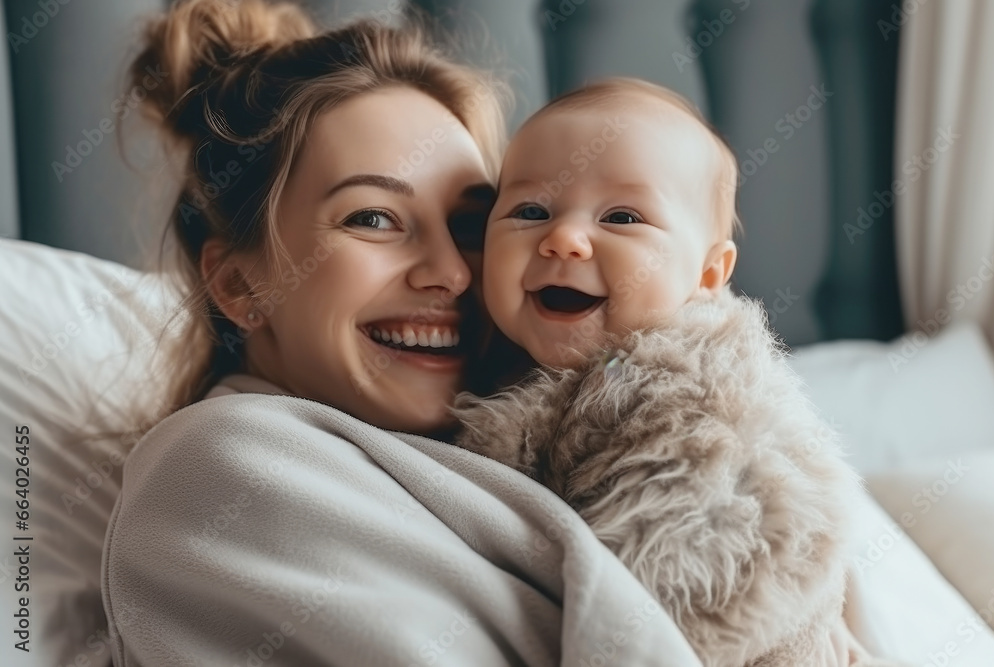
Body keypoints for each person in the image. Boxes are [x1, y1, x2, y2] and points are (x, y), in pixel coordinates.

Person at [101, 3, 704, 666]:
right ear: (240, 285)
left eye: (472, 226)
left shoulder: (582, 449)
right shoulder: (217, 465)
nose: (449, 271)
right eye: (375, 218)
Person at [453, 78, 893, 665]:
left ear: (708, 276)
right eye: (531, 210)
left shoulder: (693, 393)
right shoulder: (489, 367)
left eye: (622, 217)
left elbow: (700, 570)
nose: (563, 239)